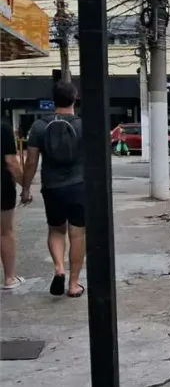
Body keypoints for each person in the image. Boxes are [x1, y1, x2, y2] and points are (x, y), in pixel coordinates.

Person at [21, 81, 86, 298]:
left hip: (52, 187)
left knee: (56, 230)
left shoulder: (39, 126)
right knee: (77, 234)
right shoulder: (82, 125)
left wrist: (26, 189)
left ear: (53, 100)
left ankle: (59, 269)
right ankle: (74, 284)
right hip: (78, 186)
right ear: (74, 99)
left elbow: (31, 162)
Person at [1, 120, 25, 289]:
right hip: (2, 186)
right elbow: (11, 162)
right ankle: (9, 278)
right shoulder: (3, 129)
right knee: (5, 232)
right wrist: (25, 185)